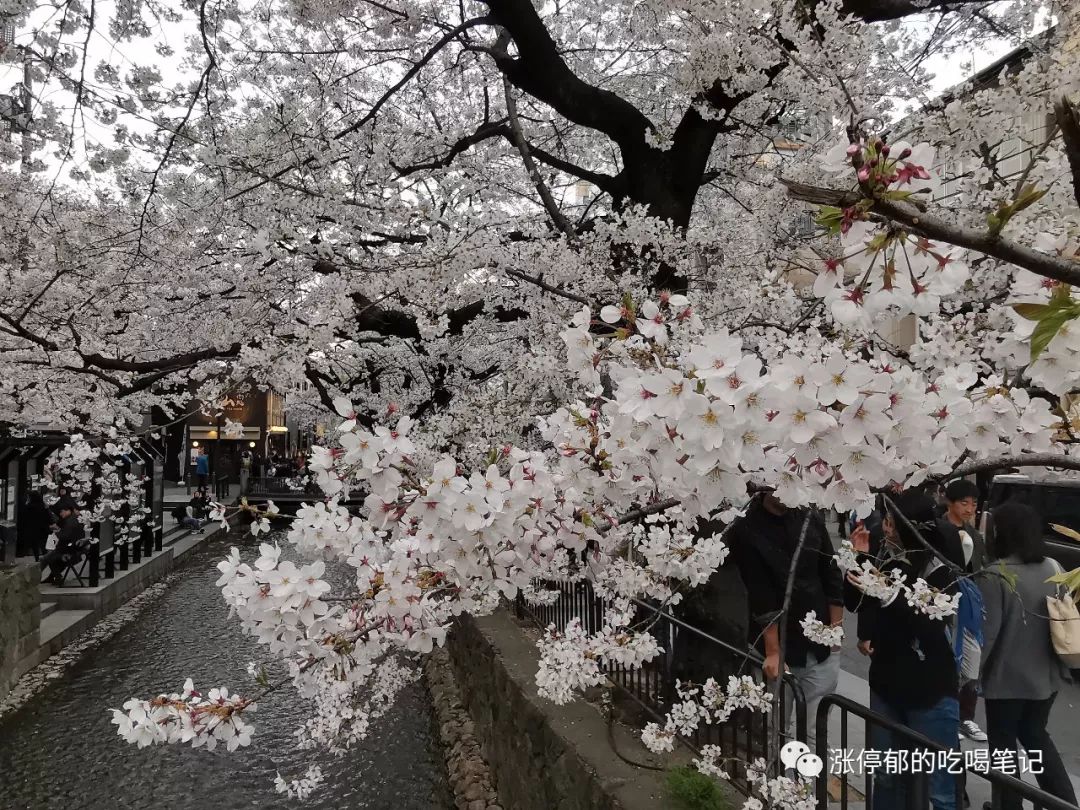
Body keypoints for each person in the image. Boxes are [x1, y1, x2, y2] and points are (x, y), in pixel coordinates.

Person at [847, 490, 961, 810]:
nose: (884, 528)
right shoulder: (886, 555)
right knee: (886, 774)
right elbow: (855, 601)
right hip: (886, 684)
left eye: (890, 522)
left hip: (930, 692)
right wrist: (861, 558)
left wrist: (888, 596)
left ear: (909, 527)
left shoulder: (939, 567)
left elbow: (931, 624)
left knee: (939, 788)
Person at [977, 502, 1076, 810]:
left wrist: (967, 677)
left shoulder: (995, 576)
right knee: (1036, 737)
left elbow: (986, 635)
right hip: (1046, 676)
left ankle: (1008, 805)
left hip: (1005, 680)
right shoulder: (1052, 567)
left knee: (1003, 744)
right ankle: (1063, 802)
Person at [728, 492, 844, 745]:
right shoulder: (746, 528)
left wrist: (835, 635)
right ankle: (781, 781)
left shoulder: (809, 516)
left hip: (820, 645)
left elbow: (831, 573)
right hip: (777, 647)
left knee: (814, 733)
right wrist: (773, 651)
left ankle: (808, 785)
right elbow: (761, 594)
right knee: (778, 731)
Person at [942, 478, 988, 742]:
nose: (970, 509)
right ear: (950, 503)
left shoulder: (974, 535)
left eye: (974, 503)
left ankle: (966, 718)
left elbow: (981, 569)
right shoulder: (938, 530)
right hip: (945, 602)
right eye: (964, 503)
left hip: (969, 604)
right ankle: (950, 716)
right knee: (949, 657)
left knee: (972, 658)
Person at [39, 503, 85, 585]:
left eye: (62, 512)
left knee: (46, 558)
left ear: (68, 511)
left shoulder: (70, 522)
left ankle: (49, 577)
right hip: (75, 549)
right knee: (51, 556)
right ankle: (54, 577)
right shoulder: (75, 519)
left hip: (69, 550)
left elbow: (65, 536)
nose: (61, 514)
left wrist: (57, 532)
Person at [19, 490, 52, 561]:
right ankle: (45, 558)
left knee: (35, 545)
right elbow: (49, 518)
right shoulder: (43, 506)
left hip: (33, 529)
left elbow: (24, 517)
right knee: (43, 545)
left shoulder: (29, 507)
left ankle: (37, 558)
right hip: (43, 529)